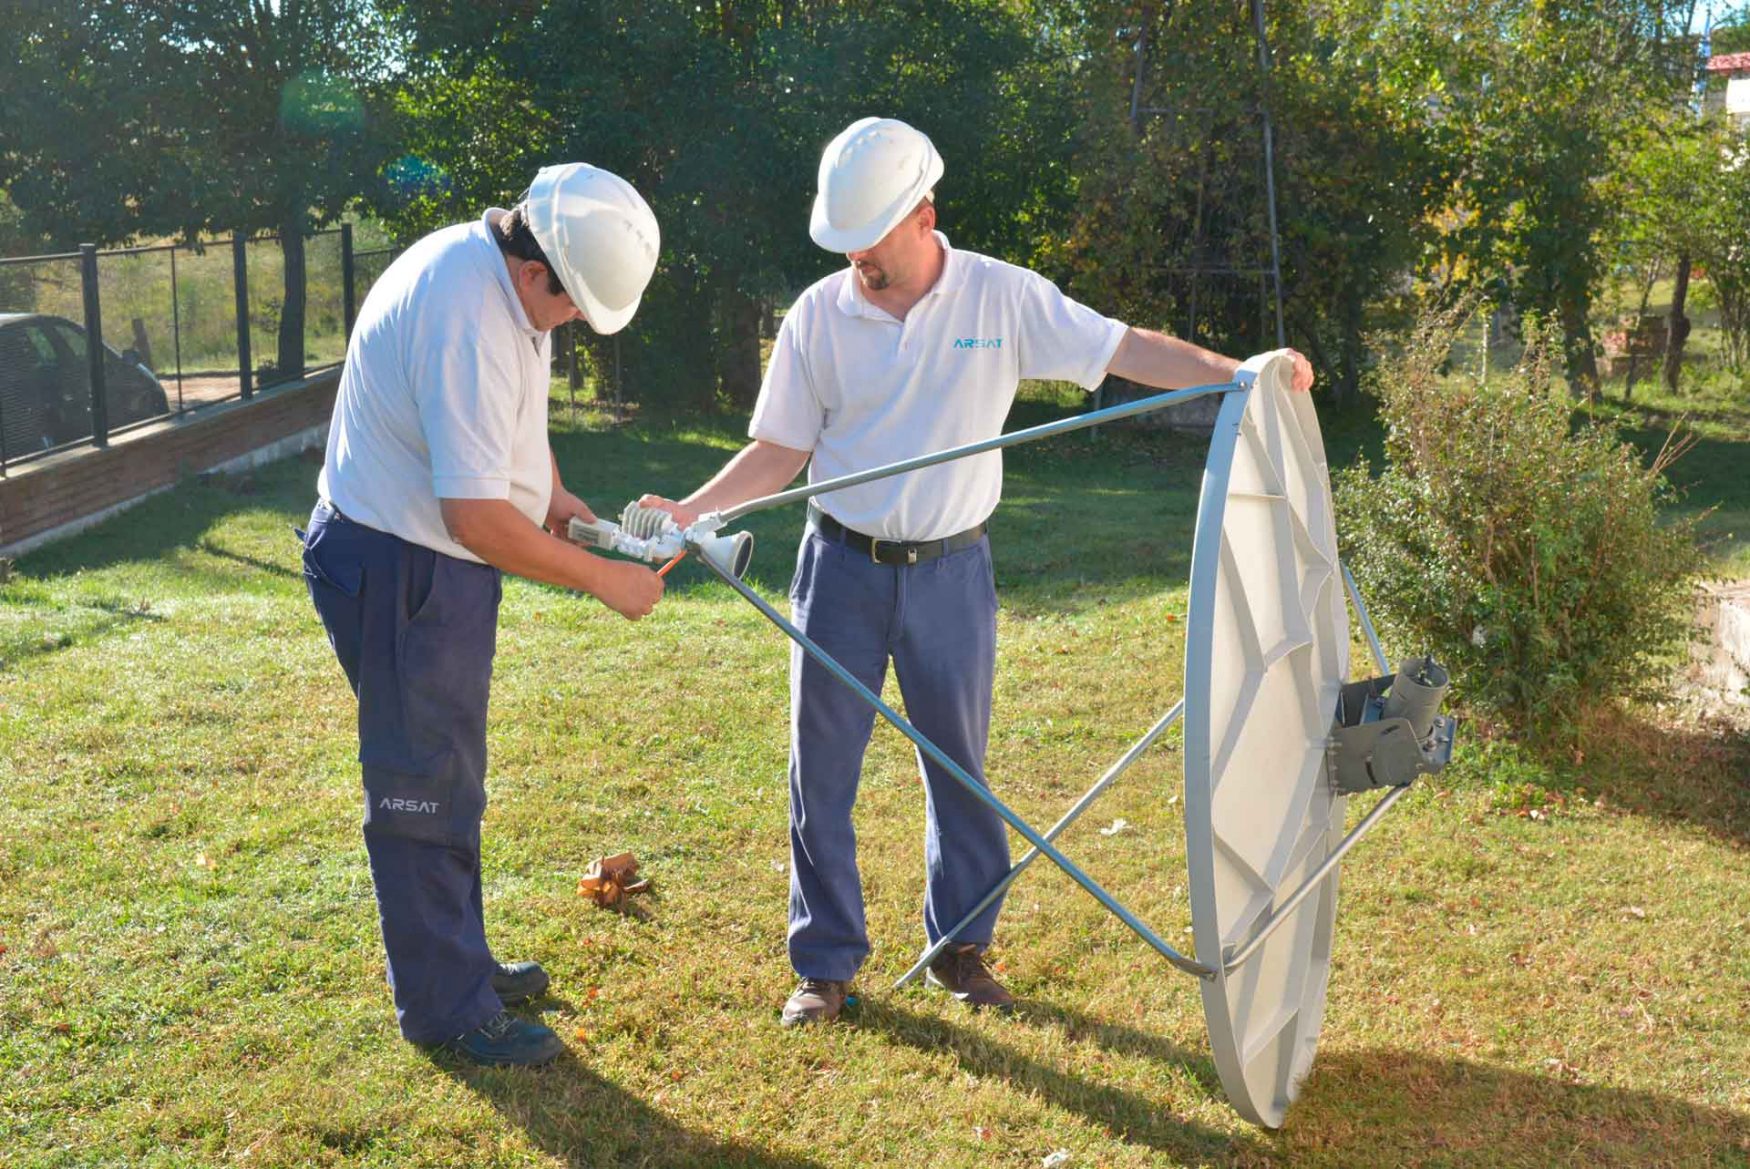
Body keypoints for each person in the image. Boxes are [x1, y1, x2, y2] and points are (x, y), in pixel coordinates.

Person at [641, 117, 1314, 1027]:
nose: (857, 260)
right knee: (822, 774)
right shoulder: (817, 315)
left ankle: (960, 949)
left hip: (952, 573)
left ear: (924, 213)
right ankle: (826, 965)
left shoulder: (1001, 297)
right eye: (844, 243)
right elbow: (779, 449)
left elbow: (1123, 349)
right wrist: (691, 513)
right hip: (839, 566)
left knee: (961, 771)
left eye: (871, 238)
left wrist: (1245, 376)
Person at [300, 163, 667, 1065]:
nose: (577, 319)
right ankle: (447, 1011)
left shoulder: (503, 286)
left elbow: (505, 445)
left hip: (432, 561)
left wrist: (564, 506)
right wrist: (599, 578)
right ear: (537, 268)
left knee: (451, 773)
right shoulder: (464, 309)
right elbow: (472, 514)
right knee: (420, 784)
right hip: (399, 563)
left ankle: (459, 964)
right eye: (575, 303)